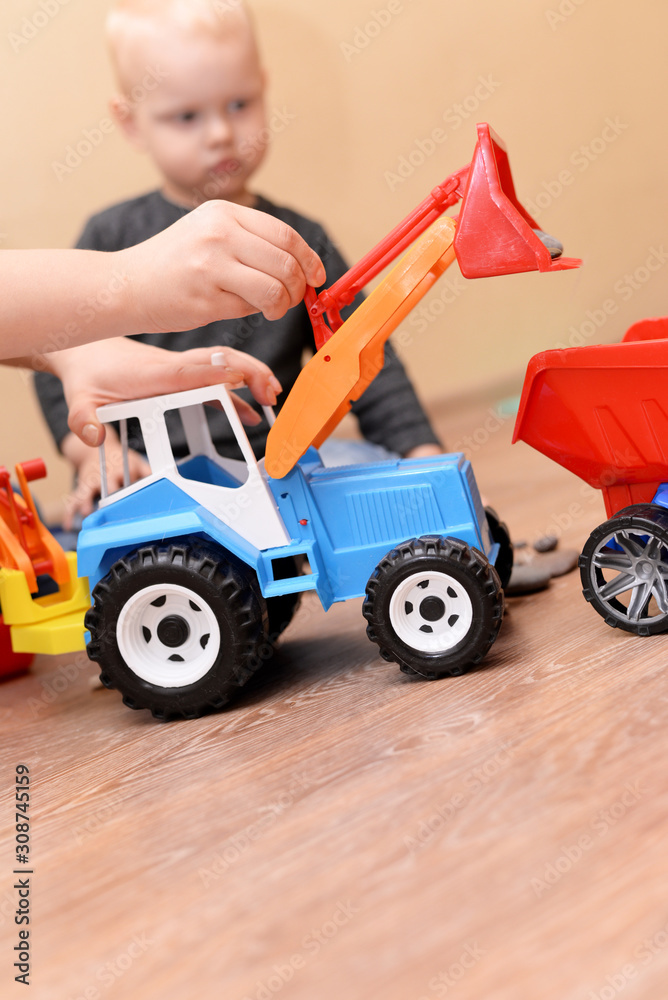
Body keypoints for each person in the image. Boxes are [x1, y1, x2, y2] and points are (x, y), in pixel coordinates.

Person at [34, 0, 442, 522]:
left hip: (277, 464)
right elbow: (56, 361)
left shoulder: (298, 238)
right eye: (186, 115)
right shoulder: (110, 235)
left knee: (374, 480)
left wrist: (419, 452)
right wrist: (97, 455)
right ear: (131, 122)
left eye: (239, 104)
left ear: (263, 87)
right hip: (148, 473)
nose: (222, 133)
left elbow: (361, 352)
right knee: (85, 533)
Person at [4, 198, 325, 445]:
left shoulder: (305, 232)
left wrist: (74, 353)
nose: (219, 134)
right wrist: (131, 282)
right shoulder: (112, 226)